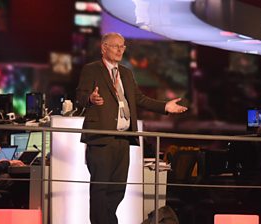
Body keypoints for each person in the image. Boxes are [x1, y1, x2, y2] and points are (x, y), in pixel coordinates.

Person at [76, 32, 188, 224]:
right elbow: (79, 96)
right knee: (100, 190)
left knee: (117, 189)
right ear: (103, 48)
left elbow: (139, 99)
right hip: (102, 138)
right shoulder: (92, 69)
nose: (120, 50)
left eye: (123, 46)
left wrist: (164, 107)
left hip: (123, 139)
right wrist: (90, 99)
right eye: (116, 46)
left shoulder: (126, 73)